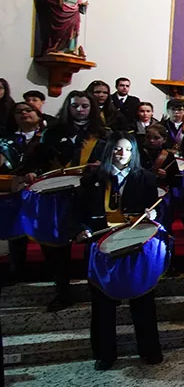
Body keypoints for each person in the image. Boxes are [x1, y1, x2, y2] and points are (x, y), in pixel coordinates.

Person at [76, 135, 162, 370]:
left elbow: (159, 210)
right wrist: (82, 229)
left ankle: (149, 349)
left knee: (143, 298)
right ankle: (105, 354)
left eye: (126, 149)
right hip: (101, 246)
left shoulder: (146, 178)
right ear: (108, 152)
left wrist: (154, 215)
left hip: (135, 246)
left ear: (133, 153)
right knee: (102, 303)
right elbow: (79, 213)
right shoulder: (93, 179)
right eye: (116, 149)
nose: (121, 153)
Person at [33, 89, 110, 311]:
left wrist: (100, 168)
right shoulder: (53, 133)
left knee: (93, 242)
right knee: (57, 245)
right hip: (57, 196)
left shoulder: (102, 134)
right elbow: (37, 161)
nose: (80, 110)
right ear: (68, 107)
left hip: (91, 195)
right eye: (75, 105)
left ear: (92, 108)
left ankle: (98, 288)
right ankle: (62, 290)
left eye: (84, 106)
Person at [1, 102, 48, 281]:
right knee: (16, 232)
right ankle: (16, 270)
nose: (23, 114)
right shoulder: (6, 140)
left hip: (41, 190)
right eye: (18, 112)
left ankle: (49, 270)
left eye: (28, 110)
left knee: (43, 230)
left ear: (38, 114)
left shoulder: (46, 136)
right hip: (15, 190)